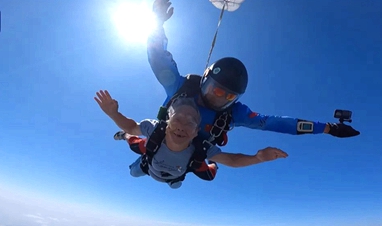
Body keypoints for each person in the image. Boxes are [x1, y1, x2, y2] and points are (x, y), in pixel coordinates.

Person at [144, 0, 360, 147]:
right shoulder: (181, 88)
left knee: (177, 169)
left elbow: (277, 123)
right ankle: (135, 140)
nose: (218, 99)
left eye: (228, 97)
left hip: (192, 155)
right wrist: (156, 23)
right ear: (205, 79)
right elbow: (157, 56)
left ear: (235, 99)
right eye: (215, 90)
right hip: (163, 141)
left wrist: (328, 128)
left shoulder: (233, 113)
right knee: (142, 163)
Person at [94, 90, 288, 189]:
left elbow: (232, 160)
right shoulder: (155, 130)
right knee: (134, 155)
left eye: (190, 123)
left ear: (196, 132)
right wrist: (114, 114)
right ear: (167, 122)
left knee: (206, 176)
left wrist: (258, 157)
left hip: (175, 176)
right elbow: (130, 126)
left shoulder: (200, 147)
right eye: (178, 119)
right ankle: (124, 139)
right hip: (147, 166)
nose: (181, 126)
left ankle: (211, 165)